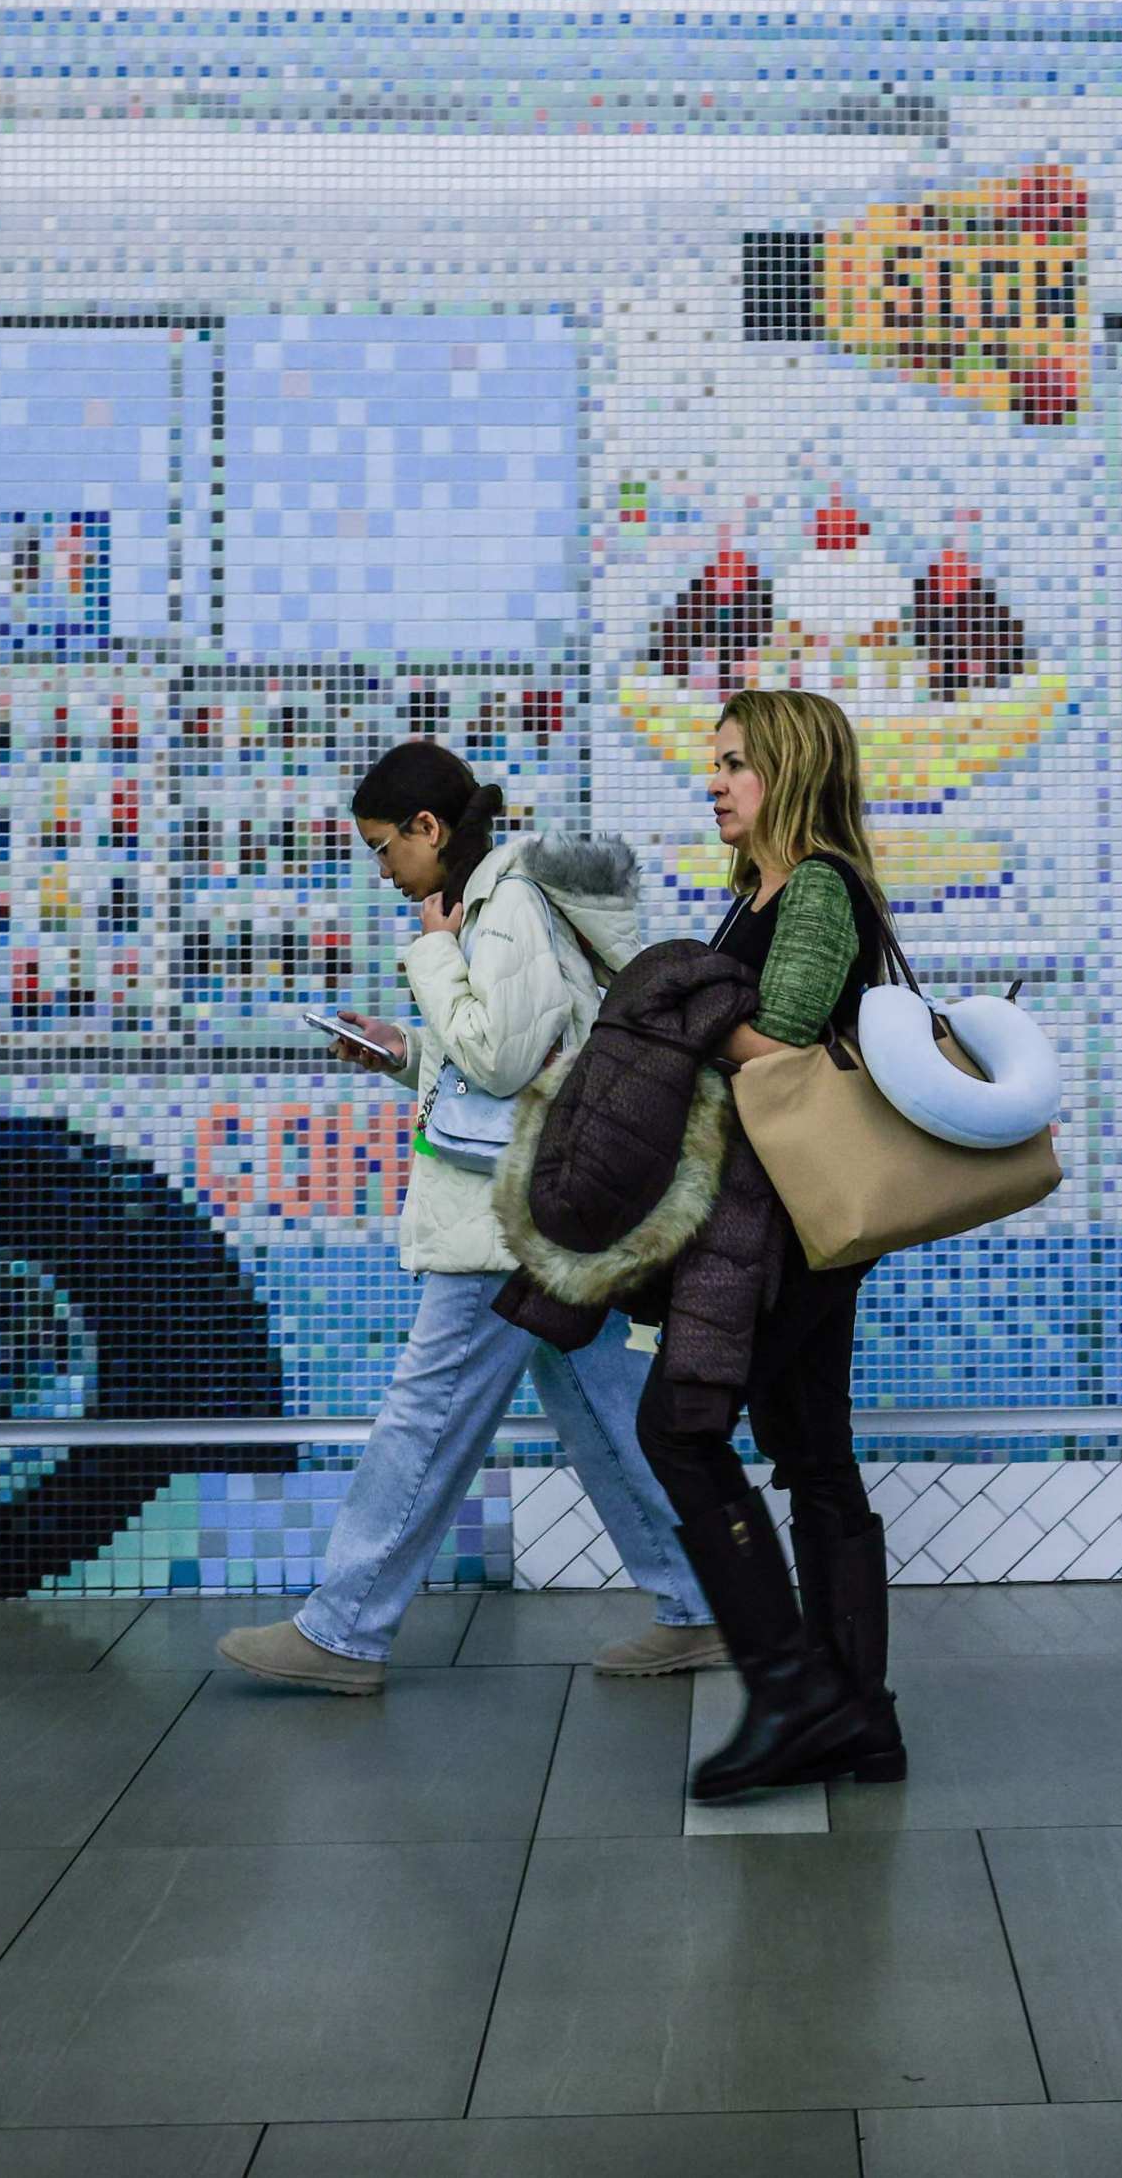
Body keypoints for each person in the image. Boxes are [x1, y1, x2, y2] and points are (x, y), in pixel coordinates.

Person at [217, 742, 721, 1694]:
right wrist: (405, 1050)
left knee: (425, 1412)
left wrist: (431, 950)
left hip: (508, 1216)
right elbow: (499, 1061)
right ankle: (710, 1602)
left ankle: (343, 1625)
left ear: (428, 828)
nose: (382, 869)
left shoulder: (505, 905)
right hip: (541, 1205)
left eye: (383, 846)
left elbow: (496, 1057)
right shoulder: (491, 901)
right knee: (606, 1415)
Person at [640, 687, 908, 1799]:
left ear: (790, 771)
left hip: (791, 1223)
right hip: (787, 1217)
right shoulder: (759, 890)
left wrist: (679, 1010)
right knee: (812, 1452)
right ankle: (859, 1719)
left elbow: (783, 1045)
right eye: (715, 763)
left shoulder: (818, 890)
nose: (717, 780)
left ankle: (795, 1690)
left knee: (678, 1423)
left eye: (737, 762)